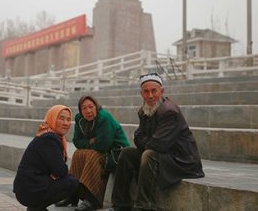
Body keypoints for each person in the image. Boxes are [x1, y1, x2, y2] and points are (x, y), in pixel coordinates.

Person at [107, 73, 205, 211]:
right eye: (146, 92)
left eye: (154, 91)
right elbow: (138, 138)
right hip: (164, 155)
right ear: (141, 94)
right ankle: (120, 204)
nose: (150, 95)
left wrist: (147, 141)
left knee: (149, 154)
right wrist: (148, 141)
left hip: (182, 160)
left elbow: (158, 144)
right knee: (127, 153)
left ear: (161, 91)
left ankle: (144, 206)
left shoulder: (169, 111)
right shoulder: (144, 111)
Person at [55, 95, 130, 210]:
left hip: (116, 153)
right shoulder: (79, 119)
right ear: (80, 110)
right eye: (84, 108)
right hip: (101, 150)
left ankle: (92, 199)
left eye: (91, 107)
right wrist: (91, 141)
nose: (88, 111)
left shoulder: (104, 118)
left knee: (92, 155)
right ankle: (72, 194)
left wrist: (89, 143)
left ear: (96, 106)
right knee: (77, 154)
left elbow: (102, 146)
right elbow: (76, 141)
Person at [13, 105, 79, 211]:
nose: (66, 123)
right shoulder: (49, 139)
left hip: (27, 187)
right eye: (61, 118)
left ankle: (37, 207)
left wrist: (55, 174)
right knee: (72, 183)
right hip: (29, 189)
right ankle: (37, 207)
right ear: (52, 118)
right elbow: (61, 170)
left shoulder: (47, 134)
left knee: (69, 179)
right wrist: (55, 174)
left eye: (68, 119)